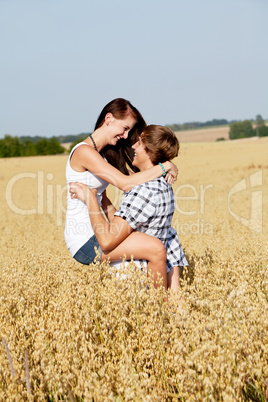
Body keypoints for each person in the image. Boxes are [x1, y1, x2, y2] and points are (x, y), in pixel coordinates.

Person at [65, 98, 178, 285]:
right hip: (85, 238)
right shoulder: (83, 152)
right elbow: (125, 184)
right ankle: (159, 306)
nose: (126, 136)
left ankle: (170, 301)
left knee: (169, 238)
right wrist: (164, 166)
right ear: (108, 119)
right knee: (156, 249)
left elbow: (106, 197)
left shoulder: (103, 155)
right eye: (125, 128)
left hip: (99, 230)